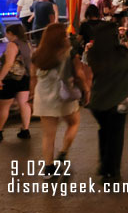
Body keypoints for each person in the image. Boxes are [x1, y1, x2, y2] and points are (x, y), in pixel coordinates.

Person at [84, 22, 128, 182]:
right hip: (119, 100)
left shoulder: (93, 53)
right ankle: (113, 171)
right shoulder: (122, 53)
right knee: (116, 136)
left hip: (98, 102)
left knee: (104, 131)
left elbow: (88, 75)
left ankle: (104, 166)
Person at [31, 23, 89, 179]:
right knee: (74, 122)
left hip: (43, 97)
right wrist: (86, 90)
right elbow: (79, 74)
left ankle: (48, 169)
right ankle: (63, 153)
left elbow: (33, 77)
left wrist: (31, 97)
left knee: (48, 135)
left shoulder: (37, 54)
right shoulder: (70, 53)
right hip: (63, 96)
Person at [0, 24, 33, 142]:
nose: (6, 35)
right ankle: (25, 130)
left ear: (12, 34)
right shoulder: (27, 44)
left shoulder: (12, 45)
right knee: (24, 104)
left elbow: (8, 64)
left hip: (11, 79)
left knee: (4, 106)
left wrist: (0, 78)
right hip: (25, 77)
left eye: (7, 33)